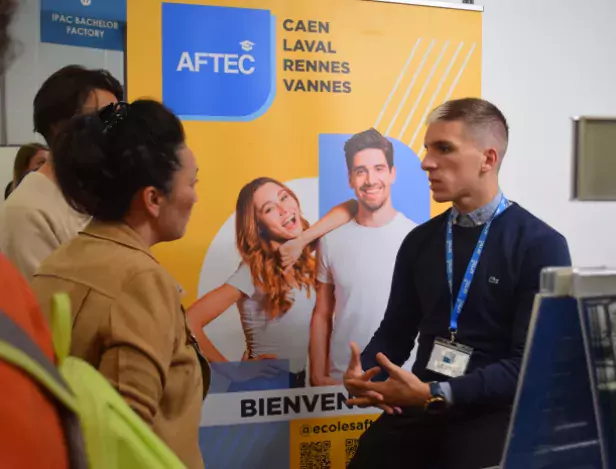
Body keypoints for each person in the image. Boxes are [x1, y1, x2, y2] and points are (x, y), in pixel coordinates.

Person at [343, 98, 572, 469]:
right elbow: (395, 332)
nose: (425, 162)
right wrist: (368, 373)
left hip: (493, 412)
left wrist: (438, 392)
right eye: (427, 148)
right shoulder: (421, 241)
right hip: (422, 403)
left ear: (488, 159)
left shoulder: (540, 244)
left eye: (444, 149)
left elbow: (530, 364)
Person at [30, 100, 209, 469]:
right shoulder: (141, 280)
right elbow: (124, 444)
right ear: (153, 199)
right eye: (192, 183)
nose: (196, 196)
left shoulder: (56, 263)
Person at [187, 177, 356, 389]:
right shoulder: (252, 271)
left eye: (284, 197)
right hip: (263, 385)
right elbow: (190, 320)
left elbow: (352, 207)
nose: (283, 209)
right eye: (269, 209)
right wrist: (234, 372)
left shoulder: (298, 254)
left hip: (295, 383)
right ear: (257, 226)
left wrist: (301, 241)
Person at [309, 128, 418, 386]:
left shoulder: (417, 238)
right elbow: (322, 313)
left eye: (379, 168)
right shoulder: (331, 240)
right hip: (342, 381)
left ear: (392, 173)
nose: (370, 180)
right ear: (350, 178)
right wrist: (317, 375)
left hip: (403, 381)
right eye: (361, 171)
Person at [0, 65, 123, 280]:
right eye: (106, 118)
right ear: (61, 127)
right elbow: (43, 306)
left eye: (119, 118)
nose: (116, 131)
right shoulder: (28, 211)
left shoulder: (97, 198)